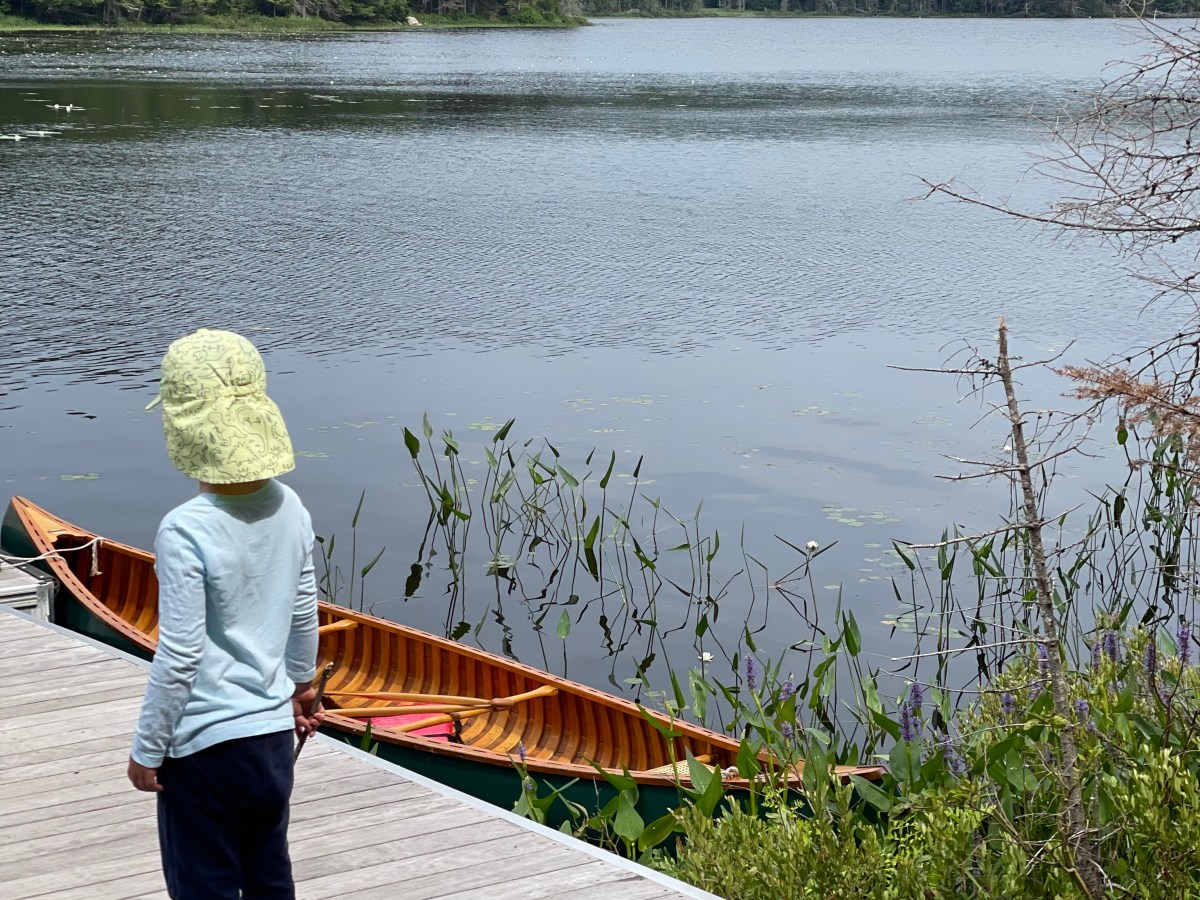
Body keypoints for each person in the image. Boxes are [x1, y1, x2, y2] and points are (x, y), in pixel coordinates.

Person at [126, 328, 323, 900]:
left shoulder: (185, 528)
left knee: (203, 885)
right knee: (269, 879)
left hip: (204, 752)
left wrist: (147, 749)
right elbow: (304, 609)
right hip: (268, 745)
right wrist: (303, 688)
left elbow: (181, 652)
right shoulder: (292, 506)